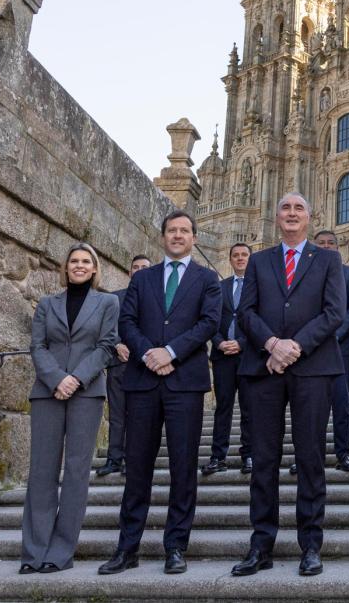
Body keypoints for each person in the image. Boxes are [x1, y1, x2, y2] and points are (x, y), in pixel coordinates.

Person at [98, 211, 222, 576]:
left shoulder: (207, 279)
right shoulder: (144, 278)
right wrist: (149, 353)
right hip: (142, 380)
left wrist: (170, 352)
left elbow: (209, 323)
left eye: (185, 231)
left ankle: (175, 546)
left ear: (194, 238)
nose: (178, 235)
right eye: (172, 230)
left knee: (184, 467)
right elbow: (127, 321)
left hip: (185, 382)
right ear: (163, 236)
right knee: (137, 467)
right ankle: (128, 547)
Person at [231, 192, 346, 578]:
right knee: (264, 459)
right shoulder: (259, 260)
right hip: (264, 368)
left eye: (299, 208)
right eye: (286, 208)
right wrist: (271, 344)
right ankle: (260, 544)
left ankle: (310, 545)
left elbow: (335, 312)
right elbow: (244, 311)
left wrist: (295, 345)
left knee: (310, 457)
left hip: (312, 368)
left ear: (309, 217)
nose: (292, 213)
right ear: (277, 216)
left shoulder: (328, 258)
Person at [21, 243, 118, 574]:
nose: (79, 266)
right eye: (73, 261)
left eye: (85, 262)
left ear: (94, 269)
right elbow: (37, 346)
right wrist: (56, 379)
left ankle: (60, 552)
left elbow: (107, 346)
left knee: (77, 472)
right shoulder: (48, 304)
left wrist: (75, 379)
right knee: (42, 471)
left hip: (87, 392)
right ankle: (34, 553)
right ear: (65, 268)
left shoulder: (107, 302)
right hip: (47, 392)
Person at [97, 254, 151, 478]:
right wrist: (117, 344)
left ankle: (134, 460)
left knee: (139, 416)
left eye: (144, 267)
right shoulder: (114, 299)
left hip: (143, 366)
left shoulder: (157, 300)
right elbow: (104, 329)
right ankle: (114, 459)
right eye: (135, 267)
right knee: (117, 414)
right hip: (118, 364)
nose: (139, 270)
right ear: (129, 273)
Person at [203, 243, 253, 477]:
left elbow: (262, 318)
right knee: (222, 407)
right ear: (230, 259)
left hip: (248, 354)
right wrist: (219, 341)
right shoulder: (218, 287)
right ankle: (217, 456)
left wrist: (241, 342)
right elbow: (209, 318)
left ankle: (249, 455)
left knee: (249, 408)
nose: (240, 258)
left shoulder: (258, 287)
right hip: (222, 355)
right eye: (236, 255)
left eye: (244, 255)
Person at [314, 230, 349, 472]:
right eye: (322, 243)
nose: (327, 246)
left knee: (342, 405)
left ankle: (343, 454)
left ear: (338, 246)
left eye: (331, 243)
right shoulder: (306, 275)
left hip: (342, 348)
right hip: (313, 351)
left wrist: (335, 334)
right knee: (313, 407)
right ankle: (311, 457)